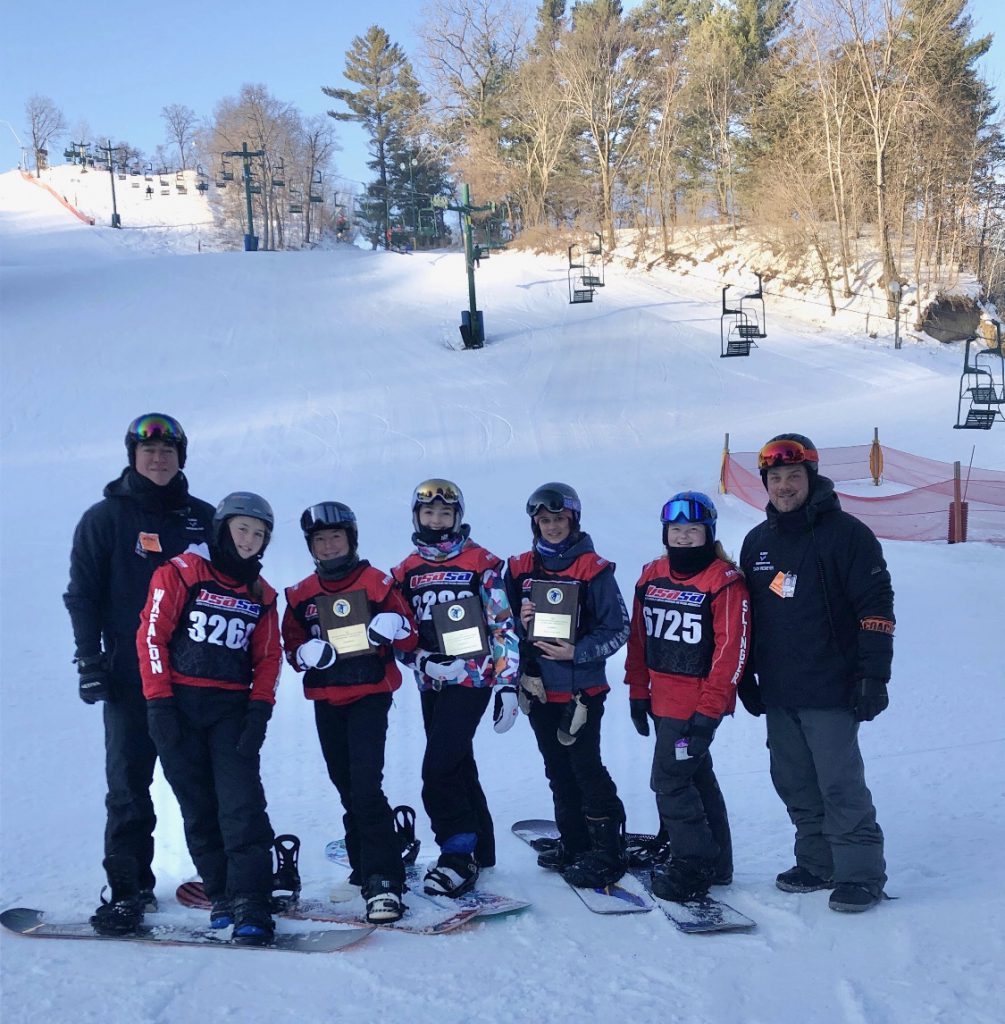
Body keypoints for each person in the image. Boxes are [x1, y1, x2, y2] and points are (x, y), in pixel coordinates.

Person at [64, 413, 215, 933]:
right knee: (128, 786)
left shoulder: (203, 519)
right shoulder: (105, 519)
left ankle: (223, 880)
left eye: (168, 452)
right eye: (148, 451)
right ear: (133, 456)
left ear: (181, 458)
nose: (158, 459)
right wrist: (89, 660)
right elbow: (82, 595)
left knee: (202, 782)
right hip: (130, 677)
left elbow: (233, 590)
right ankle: (130, 890)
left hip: (196, 677)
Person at [738, 434, 894, 913]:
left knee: (839, 783)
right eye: (776, 478)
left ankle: (860, 874)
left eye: (793, 477)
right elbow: (744, 615)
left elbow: (876, 607)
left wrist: (873, 676)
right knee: (794, 781)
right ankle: (817, 861)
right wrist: (744, 675)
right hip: (781, 690)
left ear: (812, 478)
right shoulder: (757, 541)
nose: (784, 487)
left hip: (832, 687)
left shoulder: (847, 535)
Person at [136, 492, 282, 944]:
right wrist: (159, 704)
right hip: (178, 709)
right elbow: (152, 637)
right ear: (222, 529)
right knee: (198, 807)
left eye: (259, 535)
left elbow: (270, 659)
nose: (249, 540)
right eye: (243, 529)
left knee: (241, 807)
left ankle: (252, 900)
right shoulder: (182, 572)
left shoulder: (262, 594)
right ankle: (221, 893)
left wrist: (259, 712)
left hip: (232, 713)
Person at [283, 501, 419, 923]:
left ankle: (384, 881)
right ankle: (362, 869)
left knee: (365, 787)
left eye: (335, 537)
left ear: (351, 539)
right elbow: (291, 646)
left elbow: (411, 634)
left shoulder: (376, 582)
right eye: (319, 540)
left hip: (368, 696)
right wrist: (304, 653)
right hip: (328, 700)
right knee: (346, 786)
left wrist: (393, 628)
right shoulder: (302, 593)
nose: (327, 546)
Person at [391, 479, 520, 897]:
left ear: (457, 517)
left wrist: (506, 683)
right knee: (458, 762)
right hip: (432, 680)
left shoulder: (480, 562)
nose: (437, 520)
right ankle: (484, 849)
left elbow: (502, 624)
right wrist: (421, 660)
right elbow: (400, 634)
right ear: (417, 516)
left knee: (438, 769)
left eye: (445, 513)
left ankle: (457, 854)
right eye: (429, 513)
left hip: (474, 677)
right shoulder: (406, 571)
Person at [625, 491, 749, 902]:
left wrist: (708, 712)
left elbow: (731, 651)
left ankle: (693, 864)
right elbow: (639, 639)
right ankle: (718, 864)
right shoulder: (652, 574)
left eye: (692, 530)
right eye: (675, 530)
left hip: (694, 706)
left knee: (670, 781)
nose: (682, 538)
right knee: (696, 777)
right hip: (661, 700)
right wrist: (638, 692)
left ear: (708, 533)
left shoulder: (723, 581)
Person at [505, 482, 630, 887]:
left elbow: (618, 628)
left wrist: (576, 651)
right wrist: (520, 623)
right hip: (539, 688)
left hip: (581, 691)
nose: (552, 527)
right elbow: (499, 624)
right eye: (544, 520)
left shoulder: (594, 569)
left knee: (585, 767)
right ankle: (575, 842)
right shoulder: (520, 567)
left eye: (559, 519)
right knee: (556, 768)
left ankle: (608, 849)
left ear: (573, 520)